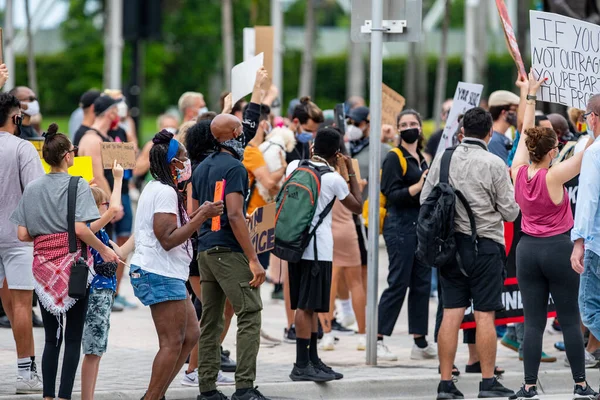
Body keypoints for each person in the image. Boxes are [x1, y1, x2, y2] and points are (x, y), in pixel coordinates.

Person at [11, 123, 119, 400]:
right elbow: (82, 229)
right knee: (72, 338)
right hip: (74, 269)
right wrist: (105, 251)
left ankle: (47, 396)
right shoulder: (78, 184)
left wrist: (48, 237)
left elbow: (23, 233)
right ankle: (63, 396)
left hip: (43, 270)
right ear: (68, 156)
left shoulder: (33, 187)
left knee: (50, 339)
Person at [508, 72, 597, 400]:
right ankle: (580, 385)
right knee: (570, 320)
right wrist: (592, 120)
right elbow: (589, 148)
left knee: (532, 323)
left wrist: (529, 95)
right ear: (553, 150)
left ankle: (529, 385)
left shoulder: (517, 171)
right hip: (558, 249)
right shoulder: (555, 175)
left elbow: (523, 133)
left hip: (526, 250)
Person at [421, 107, 519, 399]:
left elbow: (427, 199)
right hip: (486, 246)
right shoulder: (494, 163)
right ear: (489, 132)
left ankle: (445, 383)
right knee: (484, 314)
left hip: (450, 246)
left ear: (461, 131)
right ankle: (488, 382)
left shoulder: (444, 157)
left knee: (451, 313)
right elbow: (511, 213)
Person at [129, 130, 223, 400]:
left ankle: (156, 393)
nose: (188, 164)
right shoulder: (164, 192)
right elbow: (168, 239)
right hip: (158, 273)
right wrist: (201, 216)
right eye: (184, 159)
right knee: (171, 342)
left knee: (191, 334)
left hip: (168, 272)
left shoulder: (162, 189)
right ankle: (152, 397)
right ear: (173, 165)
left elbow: (172, 229)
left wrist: (197, 215)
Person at [193, 114, 269, 400]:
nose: (242, 134)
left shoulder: (201, 168)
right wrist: (253, 258)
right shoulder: (235, 167)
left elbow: (195, 211)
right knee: (250, 313)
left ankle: (207, 389)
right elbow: (235, 213)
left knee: (210, 321)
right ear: (229, 136)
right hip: (228, 250)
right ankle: (244, 388)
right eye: (238, 130)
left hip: (206, 251)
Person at [287, 127, 363, 382]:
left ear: (313, 147)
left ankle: (312, 359)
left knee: (307, 306)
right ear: (337, 153)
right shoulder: (333, 179)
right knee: (308, 307)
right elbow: (357, 205)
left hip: (296, 245)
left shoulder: (295, 167)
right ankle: (301, 364)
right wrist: (350, 169)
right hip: (318, 250)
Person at [376, 109, 435, 361]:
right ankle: (377, 338)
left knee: (421, 284)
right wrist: (418, 186)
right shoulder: (394, 157)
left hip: (420, 227)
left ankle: (419, 341)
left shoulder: (422, 158)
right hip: (399, 226)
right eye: (404, 124)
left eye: (413, 123)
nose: (409, 127)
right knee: (398, 282)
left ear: (420, 128)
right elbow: (391, 195)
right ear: (398, 129)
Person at [181, 119, 235, 388]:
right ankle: (195, 369)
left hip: (200, 245)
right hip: (199, 246)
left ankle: (205, 365)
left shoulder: (203, 166)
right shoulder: (200, 170)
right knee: (213, 313)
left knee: (217, 310)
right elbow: (192, 213)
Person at [0, 90, 44, 394]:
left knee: (11, 304)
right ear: (17, 117)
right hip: (18, 236)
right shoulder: (22, 148)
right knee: (20, 305)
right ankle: (26, 372)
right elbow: (35, 193)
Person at [80, 164, 136, 400]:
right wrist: (118, 179)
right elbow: (114, 209)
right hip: (95, 295)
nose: (107, 208)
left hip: (102, 296)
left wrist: (142, 231)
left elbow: (121, 253)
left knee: (96, 350)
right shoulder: (90, 229)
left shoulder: (100, 234)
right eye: (102, 205)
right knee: (92, 350)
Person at [317, 131, 367, 352]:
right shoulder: (347, 168)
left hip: (326, 230)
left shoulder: (316, 170)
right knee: (356, 283)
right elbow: (358, 203)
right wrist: (355, 178)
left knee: (329, 285)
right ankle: (363, 335)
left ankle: (327, 335)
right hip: (347, 229)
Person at [571, 94, 600, 373]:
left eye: (587, 115)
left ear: (593, 117)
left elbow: (588, 199)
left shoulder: (594, 152)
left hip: (596, 244)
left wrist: (578, 241)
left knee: (589, 309)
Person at [78, 95, 121, 198]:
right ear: (110, 113)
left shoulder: (106, 137)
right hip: (101, 202)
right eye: (116, 109)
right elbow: (97, 177)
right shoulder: (93, 140)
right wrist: (112, 204)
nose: (118, 113)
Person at [286, 97, 324, 163]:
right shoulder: (282, 143)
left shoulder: (306, 143)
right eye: (308, 130)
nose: (312, 135)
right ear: (296, 122)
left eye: (315, 131)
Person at [487, 90, 520, 164]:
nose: (517, 114)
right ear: (504, 113)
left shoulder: (502, 137)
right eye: (514, 110)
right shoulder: (494, 139)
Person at [424, 99, 453, 164]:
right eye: (449, 112)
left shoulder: (466, 136)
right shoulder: (435, 137)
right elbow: (426, 159)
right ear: (442, 116)